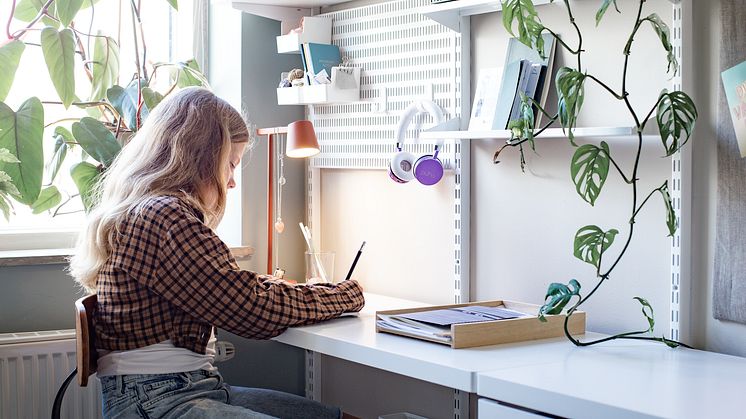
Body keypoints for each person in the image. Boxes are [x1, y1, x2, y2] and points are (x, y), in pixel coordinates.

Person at [69, 87, 365, 419]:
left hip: (181, 389)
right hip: (161, 401)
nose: (232, 181)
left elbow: (237, 291)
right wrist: (347, 295)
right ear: (203, 158)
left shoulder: (150, 211)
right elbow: (252, 311)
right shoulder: (164, 218)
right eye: (231, 164)